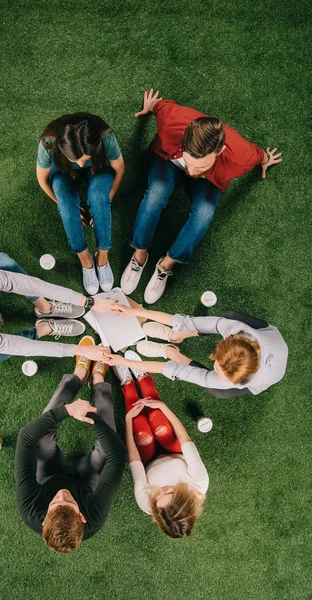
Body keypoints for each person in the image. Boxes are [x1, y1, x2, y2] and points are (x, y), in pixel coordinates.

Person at [120, 89, 283, 303]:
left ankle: (166, 265)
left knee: (204, 214)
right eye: (190, 162)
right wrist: (151, 106)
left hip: (210, 181)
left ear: (220, 150)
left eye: (200, 165)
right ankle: (140, 254)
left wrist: (264, 159)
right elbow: (161, 106)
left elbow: (257, 154)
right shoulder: (172, 121)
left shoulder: (240, 157)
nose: (192, 171)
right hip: (169, 162)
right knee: (155, 195)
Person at [15, 336, 127, 553]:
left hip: (49, 474)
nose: (62, 494)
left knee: (41, 440)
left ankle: (78, 376)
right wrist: (90, 418)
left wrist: (67, 411)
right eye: (68, 501)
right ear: (82, 517)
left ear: (44, 516)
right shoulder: (94, 520)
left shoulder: (29, 510)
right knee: (106, 453)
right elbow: (118, 456)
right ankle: (97, 380)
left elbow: (26, 438)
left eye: (56, 502)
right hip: (86, 483)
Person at [112, 359, 208, 538]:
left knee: (141, 430)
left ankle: (126, 383)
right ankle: (142, 375)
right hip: (174, 451)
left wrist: (128, 420)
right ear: (184, 496)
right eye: (170, 491)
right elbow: (185, 439)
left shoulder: (145, 503)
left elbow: (135, 460)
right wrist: (163, 407)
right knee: (158, 421)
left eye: (158, 498)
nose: (162, 489)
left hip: (148, 460)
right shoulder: (200, 481)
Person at [109, 307, 288, 397]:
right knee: (226, 315)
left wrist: (125, 363)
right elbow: (188, 321)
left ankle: (172, 352)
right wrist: (135, 311)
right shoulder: (233, 327)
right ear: (229, 338)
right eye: (218, 369)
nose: (218, 376)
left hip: (270, 368)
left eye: (222, 374)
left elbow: (173, 370)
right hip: (267, 336)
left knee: (216, 390)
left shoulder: (229, 382)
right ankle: (175, 336)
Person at [36, 113, 125, 295]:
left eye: (85, 158)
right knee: (68, 210)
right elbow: (42, 180)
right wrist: (62, 204)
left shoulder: (105, 137)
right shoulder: (48, 144)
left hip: (99, 169)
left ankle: (102, 258)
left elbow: (119, 169)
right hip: (63, 172)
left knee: (99, 200)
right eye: (75, 159)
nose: (81, 163)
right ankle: (86, 261)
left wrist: (107, 199)